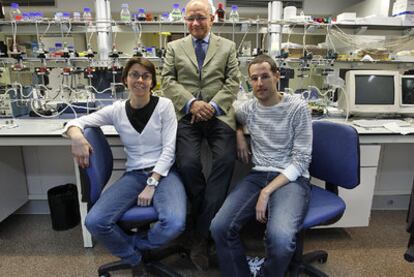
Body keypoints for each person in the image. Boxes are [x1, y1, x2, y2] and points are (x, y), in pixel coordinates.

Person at [63, 57, 187, 274]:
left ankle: (140, 247)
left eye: (146, 76)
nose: (140, 80)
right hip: (133, 176)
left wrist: (152, 182)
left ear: (153, 82)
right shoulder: (116, 110)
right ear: (125, 80)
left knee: (175, 223)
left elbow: (169, 150)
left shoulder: (164, 106)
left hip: (164, 173)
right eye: (134, 75)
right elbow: (77, 122)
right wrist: (77, 137)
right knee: (94, 221)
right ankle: (134, 257)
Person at [210, 54, 313, 277]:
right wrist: (238, 133)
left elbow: (301, 160)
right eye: (254, 78)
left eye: (265, 77)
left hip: (291, 179)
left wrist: (266, 192)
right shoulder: (249, 108)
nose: (259, 83)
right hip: (258, 175)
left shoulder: (297, 107)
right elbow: (233, 116)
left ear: (277, 76)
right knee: (219, 227)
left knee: (281, 239)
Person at [161, 0, 239, 270]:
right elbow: (167, 80)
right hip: (186, 115)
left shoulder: (227, 47)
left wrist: (213, 106)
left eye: (200, 18)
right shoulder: (173, 47)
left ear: (212, 18)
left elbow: (233, 81)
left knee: (226, 161)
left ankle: (199, 233)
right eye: (190, 18)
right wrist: (191, 103)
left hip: (219, 115)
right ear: (185, 20)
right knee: (189, 164)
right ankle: (206, 225)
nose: (195, 23)